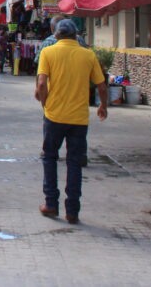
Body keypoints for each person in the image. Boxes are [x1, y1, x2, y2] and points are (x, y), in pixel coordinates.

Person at [35, 19, 107, 225]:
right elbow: (101, 86)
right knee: (74, 162)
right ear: (76, 35)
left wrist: (46, 105)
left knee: (49, 158)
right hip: (79, 118)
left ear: (56, 35)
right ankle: (72, 211)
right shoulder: (88, 54)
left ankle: (51, 203)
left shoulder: (48, 53)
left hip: (54, 116)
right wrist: (103, 106)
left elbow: (41, 83)